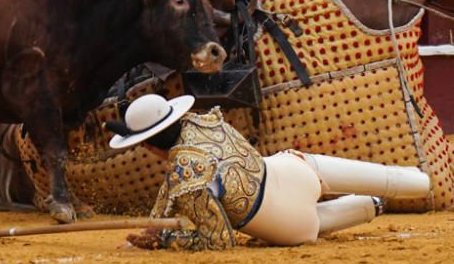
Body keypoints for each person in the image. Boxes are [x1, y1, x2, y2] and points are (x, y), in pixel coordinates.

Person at [107, 94, 431, 250]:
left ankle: (369, 206)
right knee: (395, 179)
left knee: (312, 223)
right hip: (294, 167)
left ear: (148, 145)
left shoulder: (185, 174)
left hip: (288, 223)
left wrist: (163, 239)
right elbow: (173, 188)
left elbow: (219, 241)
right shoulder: (200, 121)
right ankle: (419, 182)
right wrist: (154, 222)